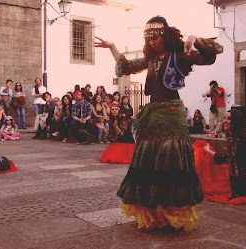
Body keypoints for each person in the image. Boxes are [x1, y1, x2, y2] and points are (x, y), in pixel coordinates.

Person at [95, 15, 222, 231]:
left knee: (171, 161)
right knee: (151, 162)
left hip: (172, 114)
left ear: (165, 35)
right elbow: (126, 66)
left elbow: (210, 55)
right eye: (149, 39)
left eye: (156, 37)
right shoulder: (151, 59)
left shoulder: (180, 54)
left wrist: (195, 39)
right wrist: (112, 46)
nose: (153, 42)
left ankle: (171, 212)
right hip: (153, 116)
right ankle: (155, 212)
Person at [201, 109, 246, 202]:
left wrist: (208, 151)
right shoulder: (242, 136)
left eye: (228, 119)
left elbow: (225, 158)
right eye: (225, 118)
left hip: (244, 184)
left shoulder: (235, 139)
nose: (225, 121)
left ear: (235, 122)